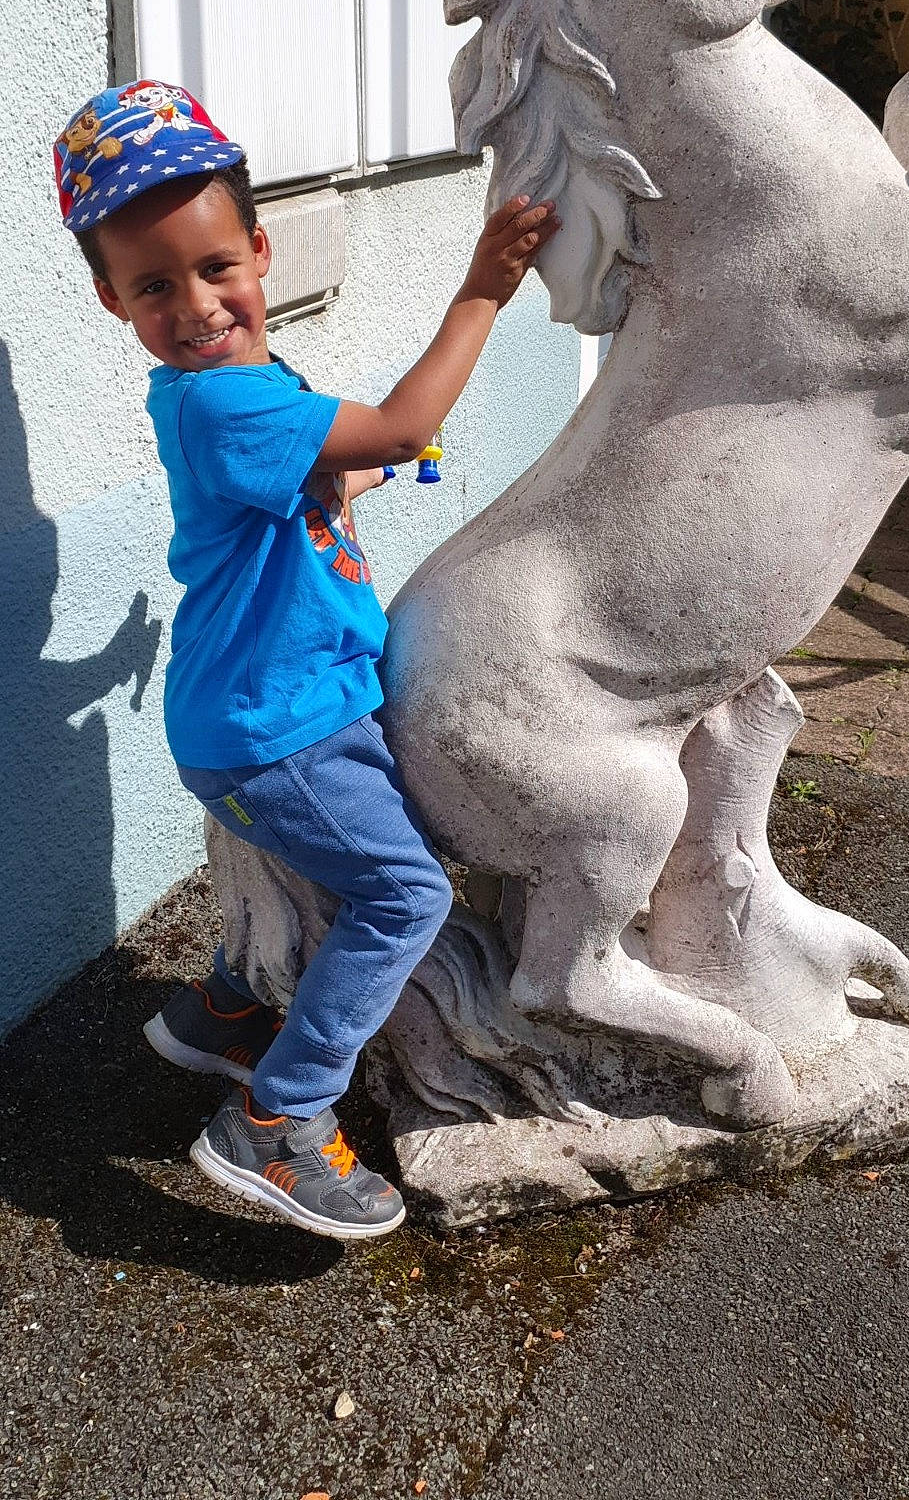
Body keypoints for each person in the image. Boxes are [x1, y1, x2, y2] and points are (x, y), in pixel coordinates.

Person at [54, 80, 559, 1240]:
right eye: (153, 285)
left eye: (216, 266)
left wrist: (348, 475)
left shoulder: (246, 393)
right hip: (276, 727)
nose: (196, 303)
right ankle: (278, 1115)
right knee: (404, 888)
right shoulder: (223, 398)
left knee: (339, 859)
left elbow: (329, 465)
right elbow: (388, 424)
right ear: (110, 298)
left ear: (259, 247)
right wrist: (481, 292)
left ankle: (230, 1006)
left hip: (258, 707)